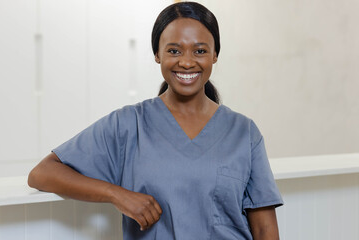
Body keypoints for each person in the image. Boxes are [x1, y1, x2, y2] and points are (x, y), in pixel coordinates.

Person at [28, 2, 283, 239]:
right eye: (174, 50)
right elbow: (42, 173)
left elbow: (264, 227)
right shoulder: (128, 124)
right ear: (157, 54)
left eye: (200, 50)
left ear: (214, 55)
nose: (186, 61)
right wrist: (116, 195)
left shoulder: (243, 132)